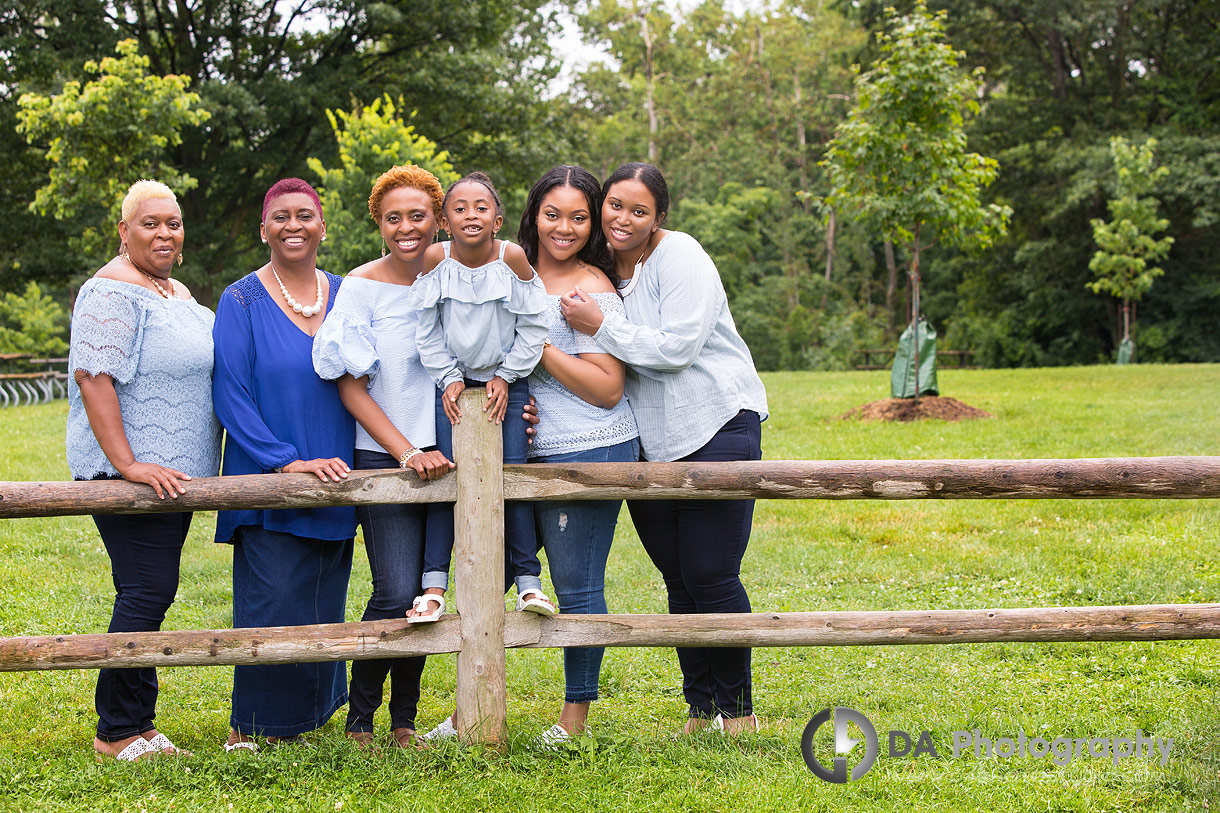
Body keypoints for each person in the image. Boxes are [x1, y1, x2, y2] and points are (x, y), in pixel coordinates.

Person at [560, 162, 769, 736]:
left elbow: (676, 348)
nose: (623, 218)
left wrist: (601, 324)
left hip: (714, 425)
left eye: (639, 210)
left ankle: (739, 712)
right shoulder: (600, 269)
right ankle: (702, 712)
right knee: (678, 577)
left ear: (659, 218)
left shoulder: (680, 256)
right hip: (646, 442)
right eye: (615, 206)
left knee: (712, 574)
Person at [67, 180, 221, 761]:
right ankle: (117, 732)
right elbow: (93, 377)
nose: (164, 233)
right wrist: (126, 462)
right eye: (150, 223)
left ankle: (141, 722)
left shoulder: (174, 290)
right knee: (147, 588)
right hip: (131, 475)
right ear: (124, 230)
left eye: (173, 223)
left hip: (173, 476)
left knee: (150, 590)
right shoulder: (109, 291)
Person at [312, 165, 454, 749]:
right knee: (395, 589)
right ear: (378, 223)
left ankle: (404, 722)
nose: (405, 228)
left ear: (438, 220)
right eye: (392, 218)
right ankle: (362, 719)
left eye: (418, 216)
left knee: (427, 594)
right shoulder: (359, 288)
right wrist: (405, 451)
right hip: (386, 457)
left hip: (449, 453)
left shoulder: (455, 275)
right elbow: (350, 386)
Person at [211, 178, 356, 752]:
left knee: (320, 592)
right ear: (264, 229)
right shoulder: (239, 299)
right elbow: (231, 391)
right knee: (270, 598)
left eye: (305, 215)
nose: (293, 225)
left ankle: (305, 719)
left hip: (337, 469)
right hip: (266, 469)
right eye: (281, 217)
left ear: (323, 226)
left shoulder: (349, 293)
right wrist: (283, 463)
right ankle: (251, 727)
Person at [515, 166, 639, 746]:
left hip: (592, 443)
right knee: (495, 568)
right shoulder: (512, 272)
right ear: (534, 215)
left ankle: (574, 716)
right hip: (525, 446)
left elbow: (608, 386)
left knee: (575, 581)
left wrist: (537, 350)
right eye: (552, 214)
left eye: (578, 217)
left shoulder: (592, 287)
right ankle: (473, 705)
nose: (564, 227)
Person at [407, 171, 555, 624]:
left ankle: (529, 582)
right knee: (445, 478)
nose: (471, 214)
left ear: (497, 220)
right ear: (446, 223)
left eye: (481, 207)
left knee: (510, 476)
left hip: (505, 383)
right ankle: (433, 587)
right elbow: (426, 328)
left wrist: (508, 375)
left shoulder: (513, 259)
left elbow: (534, 325)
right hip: (450, 384)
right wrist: (448, 377)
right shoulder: (436, 258)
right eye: (459, 208)